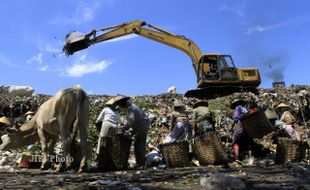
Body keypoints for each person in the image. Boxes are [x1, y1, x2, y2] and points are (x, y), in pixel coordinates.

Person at [115, 96, 150, 168]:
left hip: (142, 126)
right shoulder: (130, 107)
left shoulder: (130, 108)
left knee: (139, 145)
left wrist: (123, 129)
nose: (119, 105)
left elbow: (131, 121)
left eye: (119, 104)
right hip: (142, 125)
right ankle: (140, 163)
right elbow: (135, 121)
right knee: (139, 144)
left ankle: (141, 164)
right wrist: (133, 131)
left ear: (122, 102)